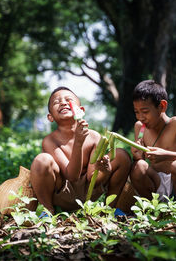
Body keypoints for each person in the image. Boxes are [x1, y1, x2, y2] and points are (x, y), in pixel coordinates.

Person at [30, 86, 131, 214]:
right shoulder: (50, 141)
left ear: (81, 110)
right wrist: (78, 142)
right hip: (64, 192)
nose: (62, 102)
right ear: (50, 117)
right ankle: (48, 210)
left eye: (68, 100)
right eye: (56, 102)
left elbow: (92, 178)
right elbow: (71, 176)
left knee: (122, 155)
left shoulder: (94, 137)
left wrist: (105, 171)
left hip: (90, 192)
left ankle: (110, 208)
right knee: (42, 160)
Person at [130, 80, 176, 202]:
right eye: (136, 112)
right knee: (138, 166)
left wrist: (166, 155)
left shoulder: (175, 123)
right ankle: (152, 209)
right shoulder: (140, 127)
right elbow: (141, 164)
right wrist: (137, 156)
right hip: (157, 184)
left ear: (162, 106)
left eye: (145, 112)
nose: (141, 117)